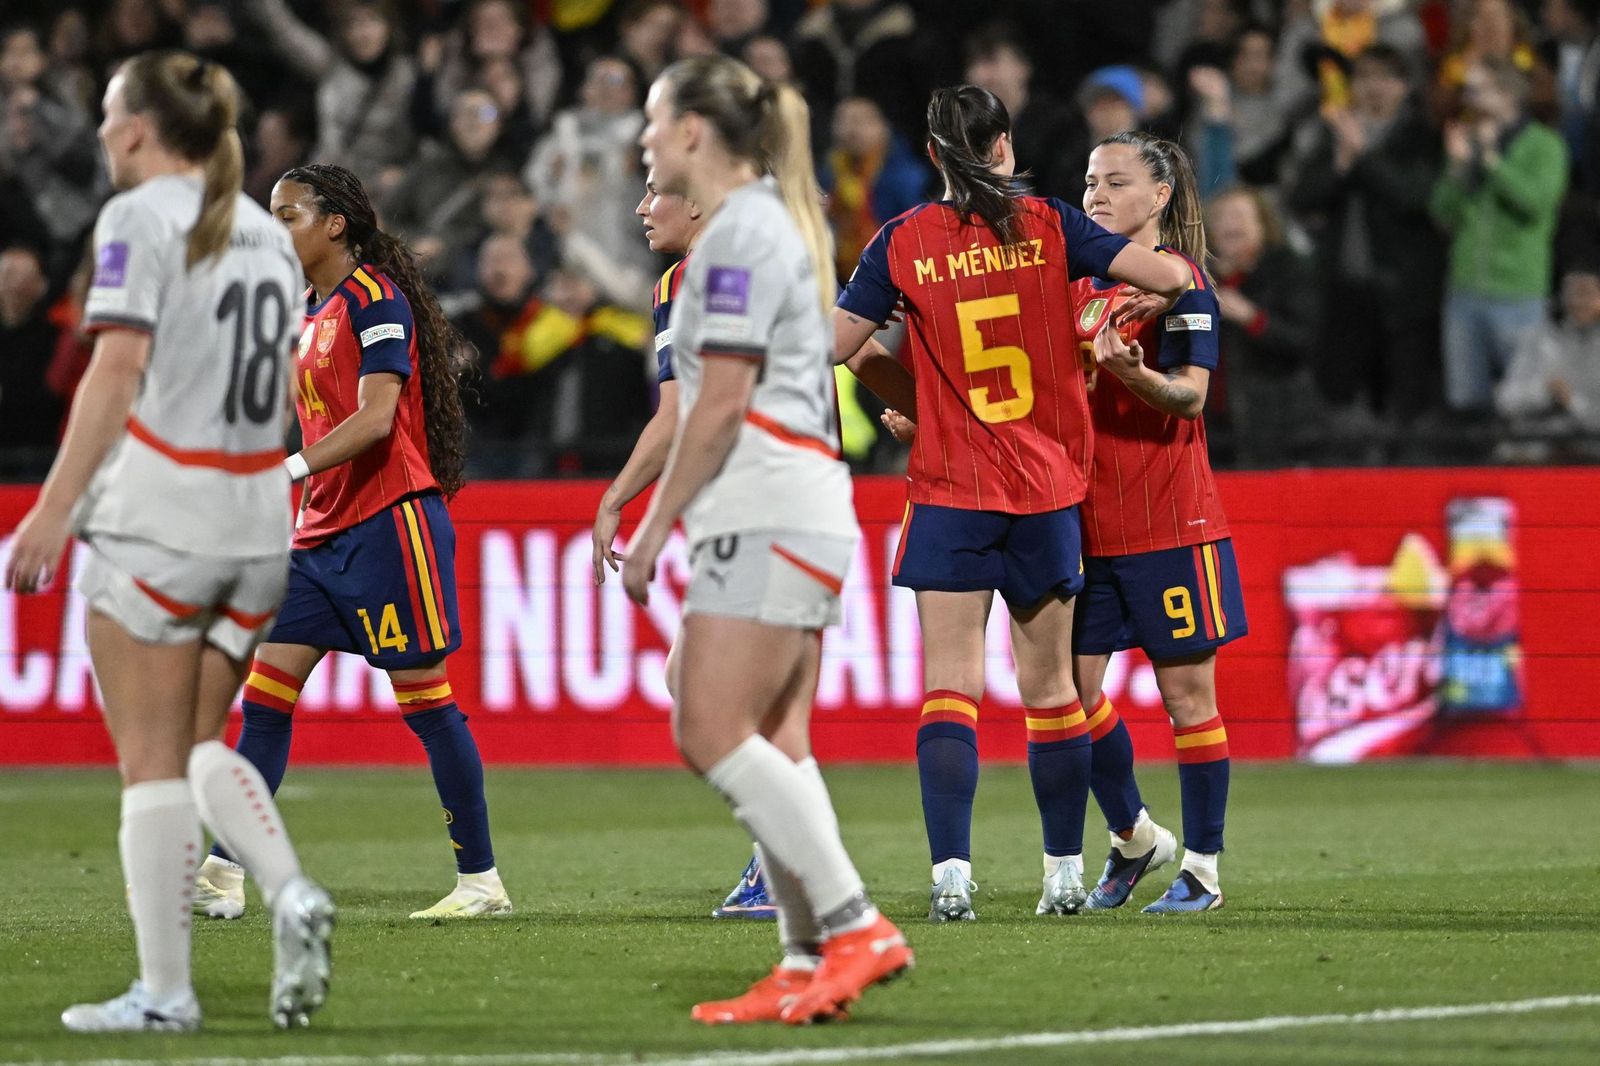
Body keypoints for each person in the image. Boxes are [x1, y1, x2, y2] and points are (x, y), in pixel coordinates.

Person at [4, 50, 331, 1032]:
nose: (102, 131)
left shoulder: (138, 218)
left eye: (109, 114)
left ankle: (165, 993)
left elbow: (114, 374)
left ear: (139, 128)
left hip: (167, 506)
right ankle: (291, 889)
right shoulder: (269, 238)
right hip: (258, 513)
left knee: (149, 760)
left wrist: (54, 508)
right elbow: (280, 390)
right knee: (195, 744)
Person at [833, 85, 1193, 922]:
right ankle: (1062, 874)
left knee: (950, 690)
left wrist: (925, 397)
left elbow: (840, 352)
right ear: (1004, 145)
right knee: (1051, 694)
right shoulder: (1053, 224)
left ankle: (951, 876)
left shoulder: (902, 242)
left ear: (931, 155)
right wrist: (1143, 295)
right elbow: (1170, 273)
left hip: (952, 489)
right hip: (1044, 491)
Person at [622, 53, 911, 1025]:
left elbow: (719, 404)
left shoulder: (742, 231)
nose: (644, 141)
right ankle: (801, 959)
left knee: (705, 725)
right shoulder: (760, 226)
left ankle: (852, 921)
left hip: (767, 501)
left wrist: (651, 526)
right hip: (788, 502)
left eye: (655, 124)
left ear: (695, 133)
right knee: (777, 742)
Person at [190, 162, 512, 921]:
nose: (276, 229)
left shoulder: (374, 300)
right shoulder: (310, 308)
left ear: (335, 223)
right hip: (320, 535)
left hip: (389, 527)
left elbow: (374, 420)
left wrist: (288, 469)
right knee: (265, 702)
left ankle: (480, 883)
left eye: (289, 213)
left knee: (428, 706)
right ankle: (222, 874)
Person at [1068, 132, 1247, 914]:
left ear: (1160, 195)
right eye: (1088, 181)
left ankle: (1202, 868)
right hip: (1082, 521)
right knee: (1069, 695)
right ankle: (1135, 834)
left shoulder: (1182, 287)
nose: (1096, 195)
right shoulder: (1073, 285)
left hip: (1172, 521)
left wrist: (1135, 374)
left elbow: (1191, 397)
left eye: (1114, 181)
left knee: (1187, 701)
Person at [591, 170, 777, 920]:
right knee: (727, 691)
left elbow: (677, 412)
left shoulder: (694, 278)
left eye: (654, 192)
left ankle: (786, 863)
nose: (639, 208)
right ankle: (784, 859)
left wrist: (617, 501)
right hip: (778, 492)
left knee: (708, 690)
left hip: (756, 499)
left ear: (696, 203)